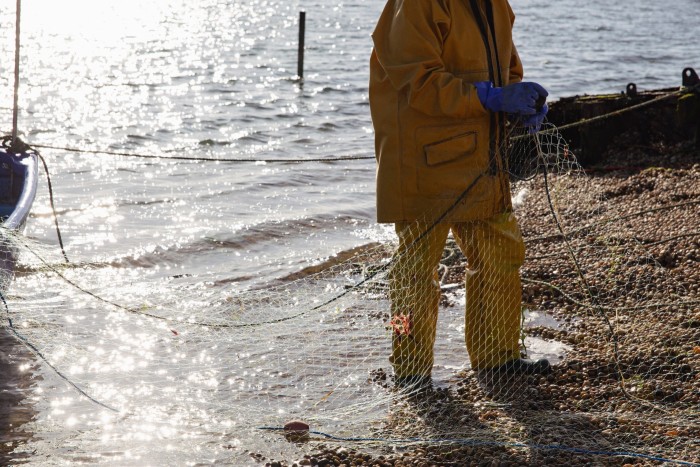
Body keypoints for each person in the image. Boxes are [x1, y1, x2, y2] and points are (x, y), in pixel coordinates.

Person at [369, 0, 551, 389]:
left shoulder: (496, 5)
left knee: (500, 253)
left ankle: (498, 360)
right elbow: (416, 78)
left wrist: (521, 100)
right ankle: (409, 369)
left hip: (481, 160)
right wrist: (487, 97)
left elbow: (508, 68)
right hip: (421, 163)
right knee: (413, 272)